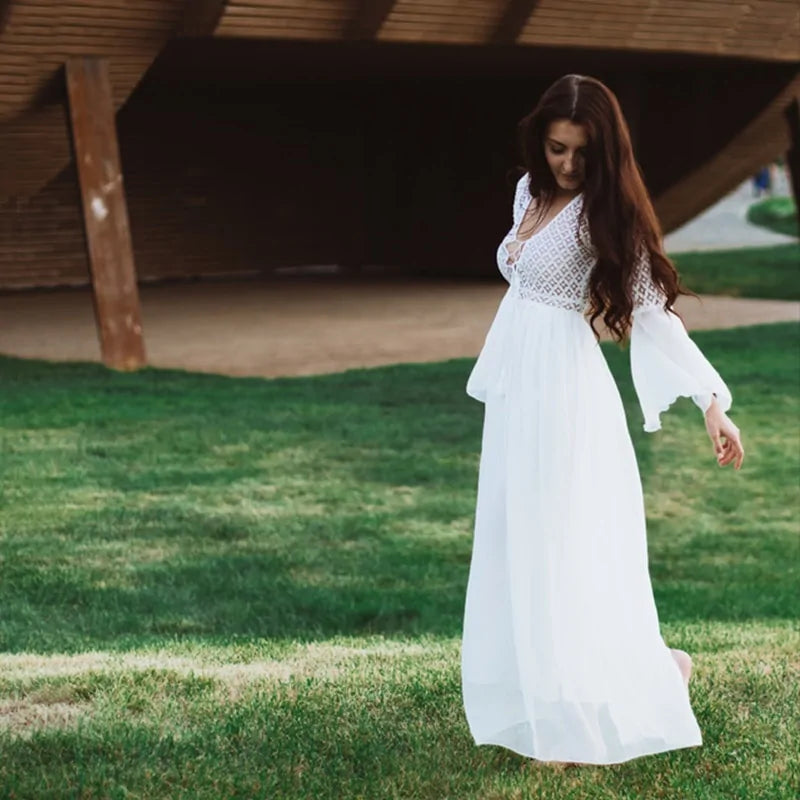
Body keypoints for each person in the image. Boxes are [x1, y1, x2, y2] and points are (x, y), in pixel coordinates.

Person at [460, 74, 745, 767]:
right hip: (517, 397)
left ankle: (594, 709)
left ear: (604, 152)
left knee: (565, 542)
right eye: (557, 148)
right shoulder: (528, 191)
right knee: (520, 540)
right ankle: (566, 694)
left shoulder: (604, 214)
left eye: (581, 153)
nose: (566, 164)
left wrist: (711, 401)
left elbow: (651, 313)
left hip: (566, 396)